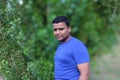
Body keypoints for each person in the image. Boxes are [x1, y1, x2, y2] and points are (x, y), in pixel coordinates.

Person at [52, 16, 90, 80]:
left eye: (61, 29)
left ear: (69, 29)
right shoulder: (61, 45)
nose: (58, 32)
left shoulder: (77, 46)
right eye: (55, 30)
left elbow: (85, 74)